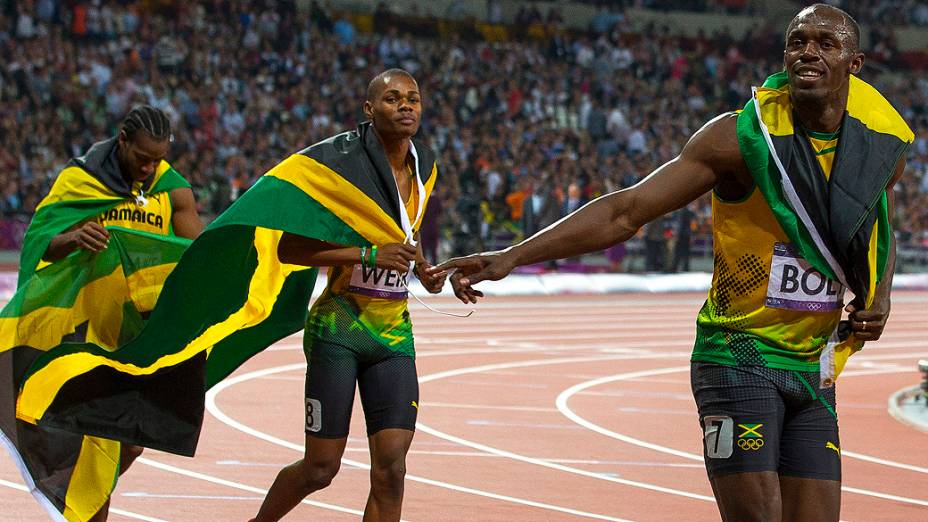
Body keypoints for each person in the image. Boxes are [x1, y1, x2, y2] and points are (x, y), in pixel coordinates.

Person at [430, 5, 912, 521]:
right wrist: (513, 256)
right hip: (739, 356)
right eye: (797, 42)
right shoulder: (737, 140)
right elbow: (626, 211)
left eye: (826, 43)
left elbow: (876, 229)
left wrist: (879, 294)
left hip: (814, 367)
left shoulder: (879, 150)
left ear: (855, 63)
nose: (808, 52)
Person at [252, 69, 444, 522]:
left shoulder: (426, 166)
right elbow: (290, 248)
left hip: (393, 335)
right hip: (338, 328)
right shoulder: (341, 169)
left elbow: (403, 232)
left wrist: (423, 269)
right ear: (369, 109)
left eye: (413, 99)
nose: (405, 106)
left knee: (392, 469)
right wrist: (367, 253)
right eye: (393, 98)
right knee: (321, 468)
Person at [3, 104, 203, 521]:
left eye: (158, 158)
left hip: (140, 336)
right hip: (86, 333)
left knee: (129, 444)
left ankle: (82, 502)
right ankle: (84, 509)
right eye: (142, 157)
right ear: (122, 140)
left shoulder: (173, 190)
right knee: (99, 440)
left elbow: (196, 261)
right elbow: (41, 243)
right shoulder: (82, 180)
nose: (149, 167)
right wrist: (74, 237)